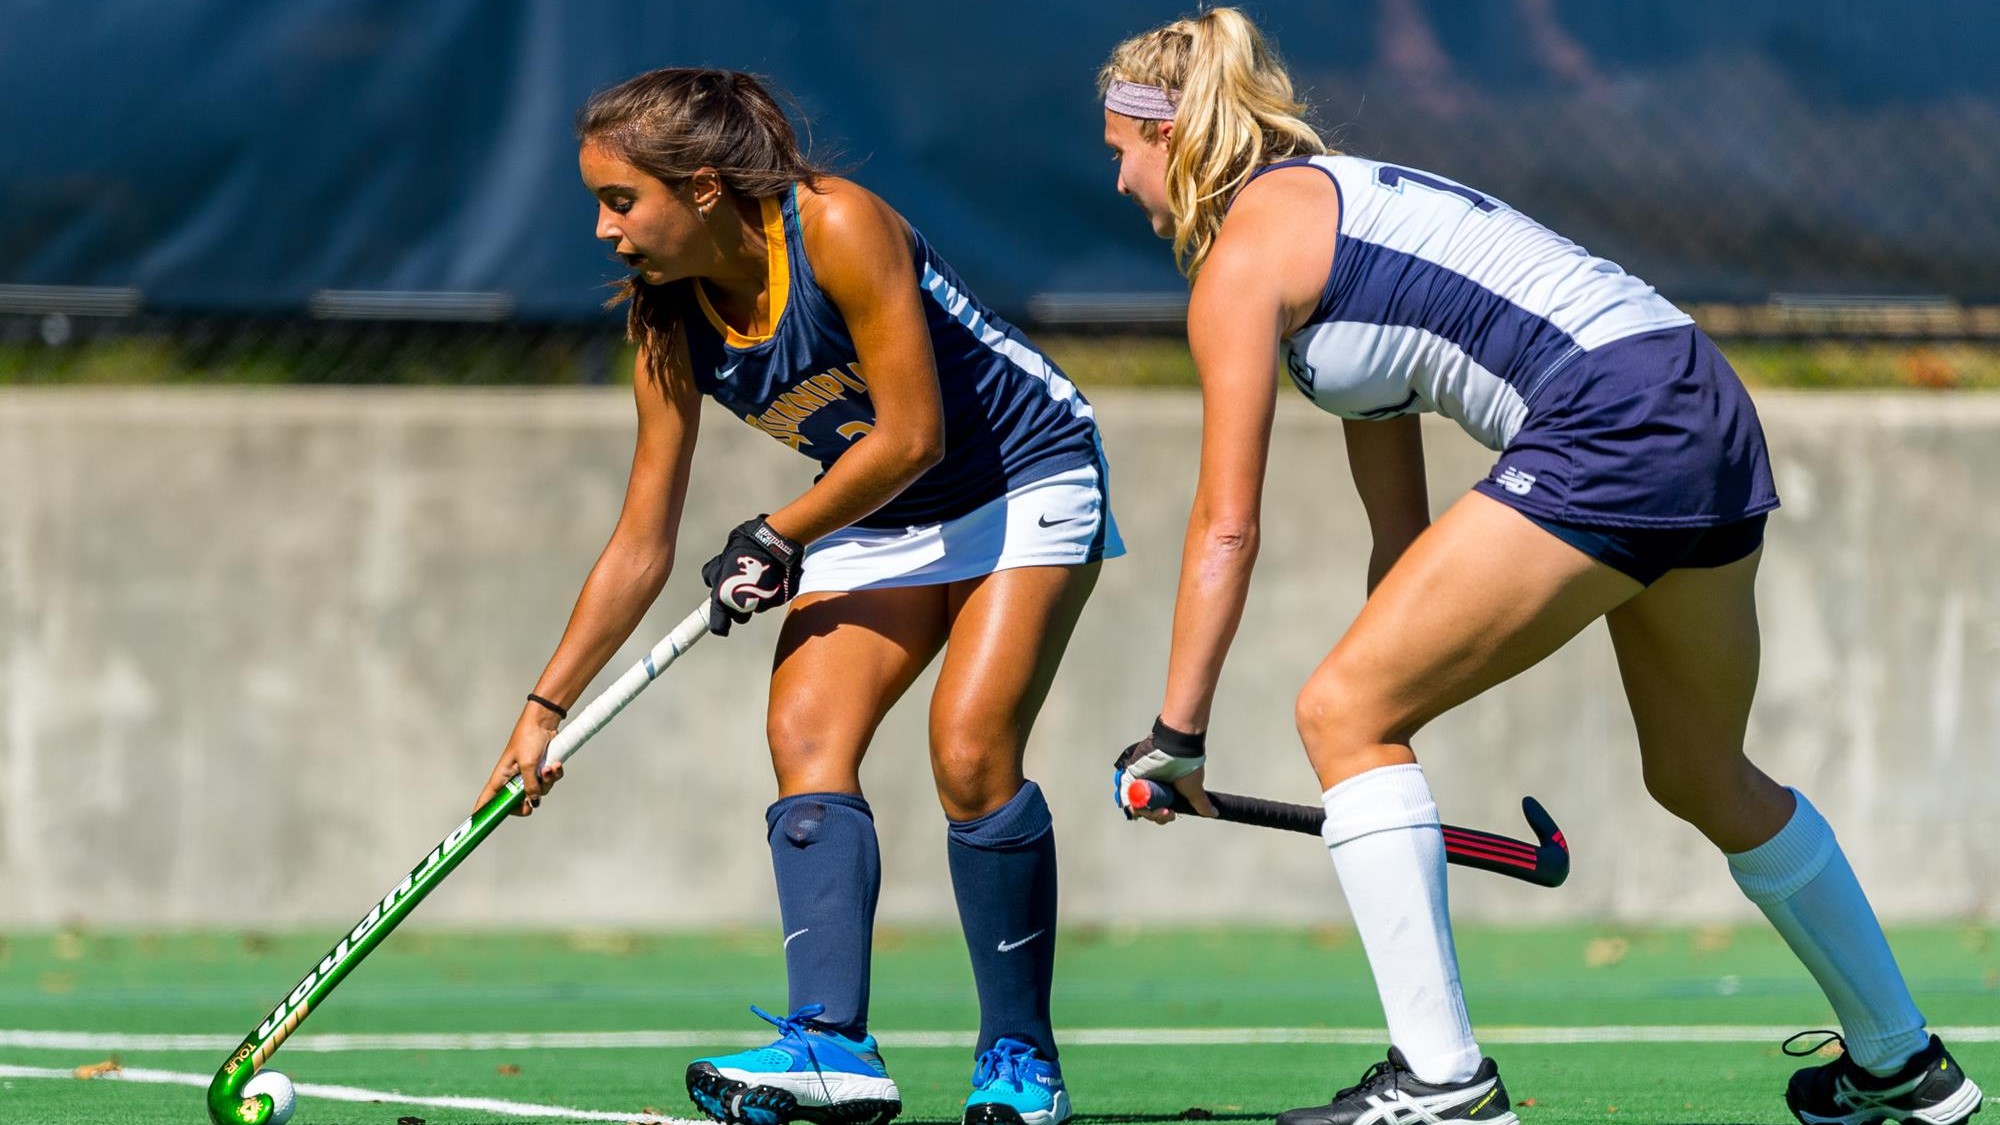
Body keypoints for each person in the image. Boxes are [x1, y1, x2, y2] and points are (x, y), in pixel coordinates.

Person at [1096, 10, 1983, 1125]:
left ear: (1166, 135)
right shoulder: (1342, 207)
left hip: (1608, 421)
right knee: (1698, 771)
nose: (1119, 180)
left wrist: (1176, 735)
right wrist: (1394, 716)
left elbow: (1225, 527)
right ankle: (1900, 1060)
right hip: (1698, 398)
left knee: (1336, 710)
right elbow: (1400, 536)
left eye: (1120, 149)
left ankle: (1442, 1082)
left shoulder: (1242, 261)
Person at [475, 67, 1119, 1125]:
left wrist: (781, 533)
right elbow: (640, 543)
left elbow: (914, 434)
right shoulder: (667, 323)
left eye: (621, 200)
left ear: (704, 188)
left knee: (968, 750)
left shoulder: (836, 226)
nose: (602, 229)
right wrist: (544, 709)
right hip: (877, 505)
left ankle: (1020, 1059)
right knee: (805, 732)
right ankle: (830, 1048)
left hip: (1021, 472)